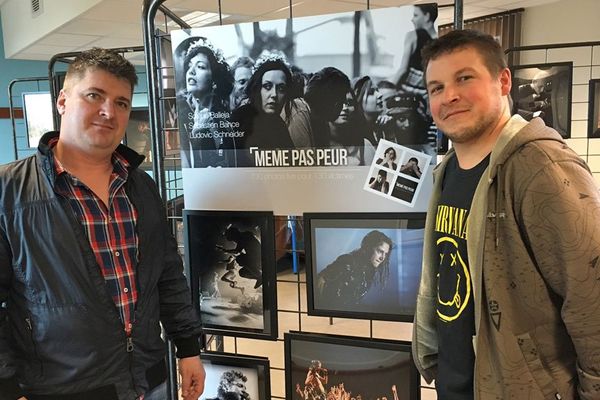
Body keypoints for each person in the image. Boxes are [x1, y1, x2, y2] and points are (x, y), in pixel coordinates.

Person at [0, 48, 205, 399]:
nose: (109, 112)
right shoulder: (9, 192)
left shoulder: (140, 186)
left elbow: (167, 274)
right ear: (63, 100)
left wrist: (188, 348)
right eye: (94, 95)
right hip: (61, 387)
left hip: (148, 378)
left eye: (122, 102)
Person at [412, 29, 600, 400]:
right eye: (436, 87)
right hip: (462, 384)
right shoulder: (447, 171)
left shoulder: (541, 167)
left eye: (464, 78)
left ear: (503, 81)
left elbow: (591, 298)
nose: (449, 96)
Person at [175, 37, 236, 167]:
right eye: (189, 66)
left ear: (214, 80)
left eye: (200, 67)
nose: (191, 71)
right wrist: (196, 134)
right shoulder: (180, 113)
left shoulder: (224, 117)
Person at [231, 52, 295, 161]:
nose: (274, 94)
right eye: (267, 86)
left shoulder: (278, 123)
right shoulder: (240, 118)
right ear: (257, 89)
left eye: (281, 89)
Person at [317, 230, 393, 309]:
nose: (382, 258)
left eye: (386, 254)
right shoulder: (347, 261)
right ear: (369, 247)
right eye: (380, 251)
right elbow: (320, 280)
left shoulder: (370, 270)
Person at [304, 67, 352, 147]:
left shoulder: (321, 124)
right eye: (343, 101)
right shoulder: (303, 118)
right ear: (335, 102)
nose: (344, 106)